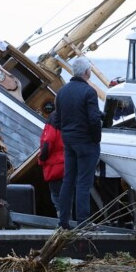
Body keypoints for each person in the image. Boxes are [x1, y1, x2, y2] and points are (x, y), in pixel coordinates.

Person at [55, 56, 102, 229]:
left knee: (68, 181)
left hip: (69, 142)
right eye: (90, 69)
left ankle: (64, 221)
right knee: (83, 182)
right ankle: (83, 221)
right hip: (86, 143)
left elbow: (57, 119)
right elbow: (94, 120)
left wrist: (67, 135)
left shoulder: (62, 92)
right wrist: (96, 139)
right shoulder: (89, 92)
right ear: (86, 72)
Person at [37, 100, 64, 217]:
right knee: (69, 193)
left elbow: (48, 141)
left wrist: (41, 159)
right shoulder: (71, 117)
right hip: (68, 162)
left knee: (56, 195)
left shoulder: (54, 118)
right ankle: (71, 220)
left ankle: (63, 221)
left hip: (55, 164)